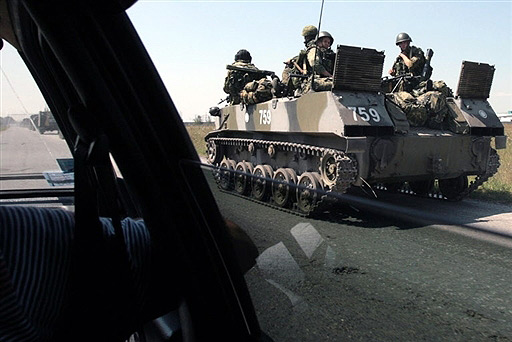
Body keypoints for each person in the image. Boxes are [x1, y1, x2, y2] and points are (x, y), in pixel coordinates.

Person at [281, 25, 318, 95]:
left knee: (287, 70)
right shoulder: (321, 45)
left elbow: (311, 60)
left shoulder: (312, 47)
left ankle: (284, 89)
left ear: (306, 37)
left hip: (311, 76)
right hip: (315, 75)